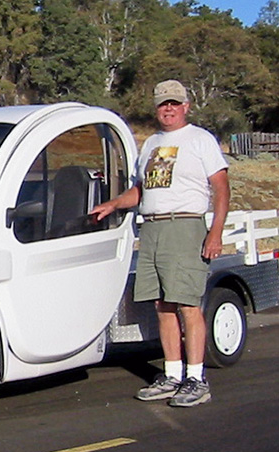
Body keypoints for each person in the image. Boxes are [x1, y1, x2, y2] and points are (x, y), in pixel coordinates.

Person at [91, 79, 229, 408]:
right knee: (162, 306)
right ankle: (172, 374)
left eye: (174, 103)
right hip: (151, 229)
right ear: (156, 108)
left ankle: (196, 379)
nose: (168, 109)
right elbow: (142, 190)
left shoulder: (200, 140)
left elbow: (221, 188)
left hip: (184, 226)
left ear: (185, 107)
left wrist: (215, 232)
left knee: (187, 304)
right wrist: (113, 204)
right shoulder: (151, 143)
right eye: (163, 104)